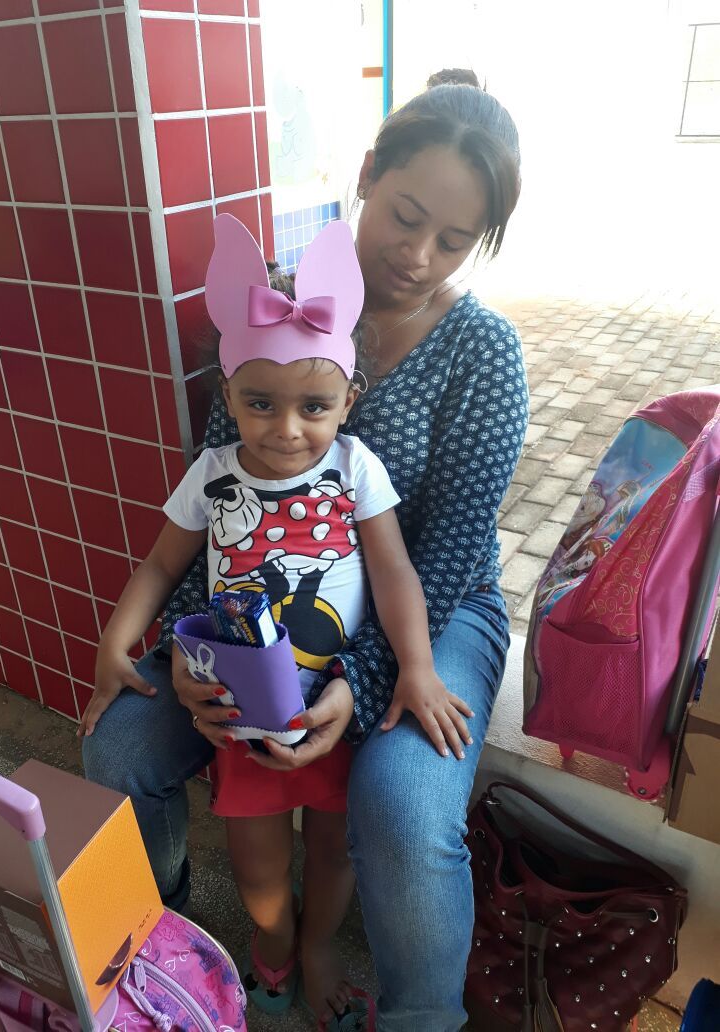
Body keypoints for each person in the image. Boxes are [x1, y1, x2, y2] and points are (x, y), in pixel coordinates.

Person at [83, 81, 529, 1031]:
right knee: (117, 746)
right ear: (366, 175)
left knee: (403, 803)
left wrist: (356, 685)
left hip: (435, 610)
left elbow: (440, 560)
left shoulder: (482, 353)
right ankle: (162, 947)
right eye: (405, 215)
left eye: (453, 240)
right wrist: (194, 652)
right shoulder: (273, 312)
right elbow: (220, 514)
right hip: (262, 608)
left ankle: (416, 1016)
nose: (418, 255)